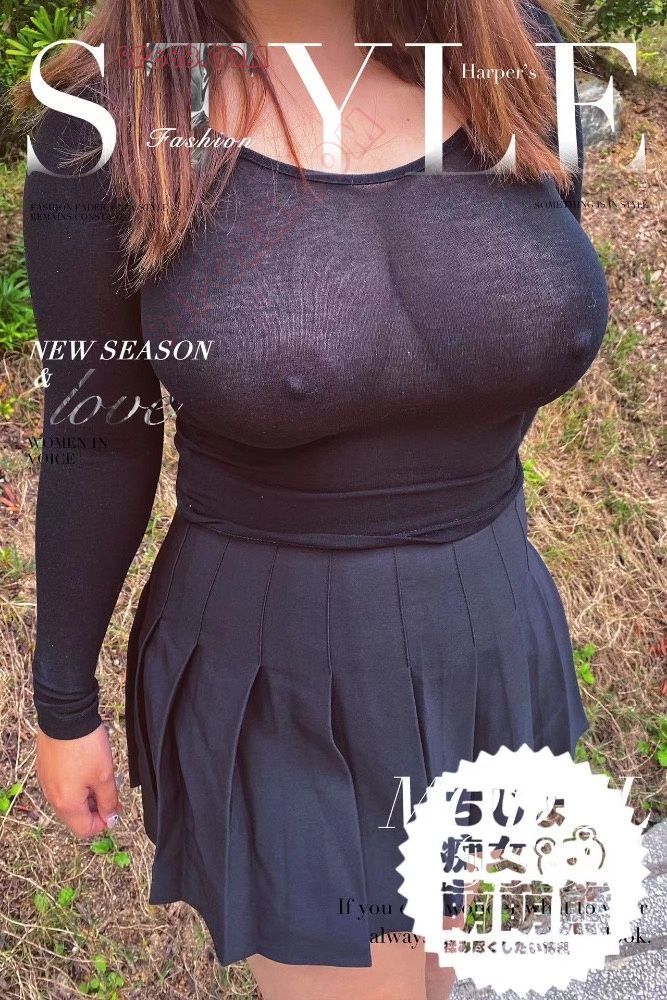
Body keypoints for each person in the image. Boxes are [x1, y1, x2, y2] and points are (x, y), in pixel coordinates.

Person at [14, 0, 609, 997]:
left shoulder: (519, 49)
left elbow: (516, 319)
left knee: (450, 971)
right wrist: (63, 700)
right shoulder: (104, 122)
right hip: (277, 669)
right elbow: (99, 433)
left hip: (493, 638)